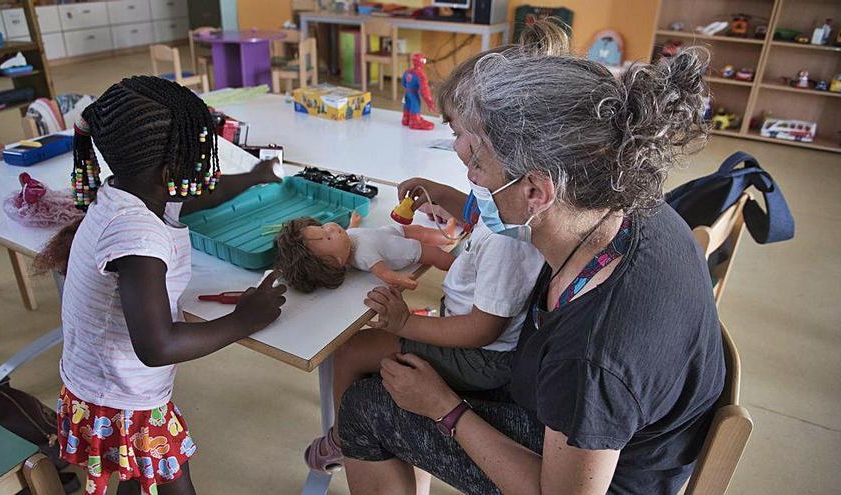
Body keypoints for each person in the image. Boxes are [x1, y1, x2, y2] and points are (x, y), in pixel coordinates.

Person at [336, 22, 726, 495]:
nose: (470, 174)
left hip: (599, 475)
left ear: (537, 191)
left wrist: (445, 408)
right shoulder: (619, 204)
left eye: (477, 166)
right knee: (388, 380)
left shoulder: (592, 357)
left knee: (364, 407)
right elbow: (512, 218)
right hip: (591, 425)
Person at [34, 76, 287, 495]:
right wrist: (245, 318)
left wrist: (255, 176)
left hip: (98, 383)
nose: (206, 162)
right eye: (200, 150)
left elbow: (193, 196)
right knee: (173, 486)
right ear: (170, 168)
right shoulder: (138, 235)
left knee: (138, 478)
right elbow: (158, 346)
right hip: (122, 398)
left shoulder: (125, 190)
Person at [300, 199, 544, 472]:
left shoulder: (506, 242)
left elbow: (483, 331)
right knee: (366, 351)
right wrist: (440, 194)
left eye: (476, 164)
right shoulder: (505, 210)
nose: (471, 174)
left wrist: (404, 323)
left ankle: (341, 439)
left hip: (483, 358)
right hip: (477, 338)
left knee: (350, 352)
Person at [273, 212, 456, 292]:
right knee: (434, 254)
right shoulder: (364, 256)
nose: (332, 228)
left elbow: (350, 233)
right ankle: (457, 267)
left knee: (419, 230)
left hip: (389, 234)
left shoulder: (344, 240)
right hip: (401, 251)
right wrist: (401, 279)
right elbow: (384, 273)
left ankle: (446, 235)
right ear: (335, 262)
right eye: (328, 237)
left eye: (322, 227)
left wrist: (353, 224)